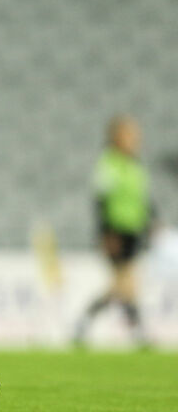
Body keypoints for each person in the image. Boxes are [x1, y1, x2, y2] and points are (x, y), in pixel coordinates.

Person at [74, 114, 155, 346]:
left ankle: (86, 322)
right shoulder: (109, 163)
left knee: (123, 285)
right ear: (116, 137)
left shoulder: (135, 165)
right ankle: (138, 331)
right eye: (129, 134)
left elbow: (142, 199)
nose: (135, 139)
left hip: (133, 231)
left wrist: (151, 223)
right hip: (115, 231)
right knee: (126, 283)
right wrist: (106, 233)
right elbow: (100, 199)